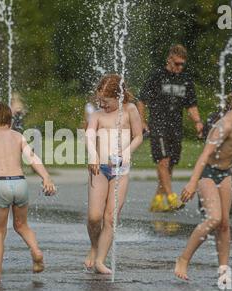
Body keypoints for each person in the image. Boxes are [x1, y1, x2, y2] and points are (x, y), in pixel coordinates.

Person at [174, 86, 232, 289]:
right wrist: (191, 182)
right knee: (214, 219)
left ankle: (224, 270)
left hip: (225, 176)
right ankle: (183, 259)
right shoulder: (223, 126)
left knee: (224, 224)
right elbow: (204, 156)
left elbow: (231, 154)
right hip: (207, 174)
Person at [0, 101, 56, 282]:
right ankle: (36, 251)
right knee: (21, 225)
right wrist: (46, 177)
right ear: (9, 120)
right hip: (20, 183)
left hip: (0, 184)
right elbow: (32, 158)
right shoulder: (18, 136)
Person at [84, 74, 143, 274]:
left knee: (110, 218)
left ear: (119, 96)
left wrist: (127, 152)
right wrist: (92, 154)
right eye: (99, 100)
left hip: (121, 171)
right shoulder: (97, 115)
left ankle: (100, 260)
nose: (102, 104)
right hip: (99, 169)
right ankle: (94, 246)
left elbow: (139, 136)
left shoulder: (130, 110)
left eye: (106, 101)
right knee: (94, 217)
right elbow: (90, 136)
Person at [137, 44, 204, 212]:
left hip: (176, 126)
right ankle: (171, 197)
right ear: (169, 59)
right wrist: (141, 121)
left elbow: (191, 105)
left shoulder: (186, 79)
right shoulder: (157, 76)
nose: (179, 67)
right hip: (158, 124)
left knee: (171, 163)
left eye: (182, 64)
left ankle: (158, 199)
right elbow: (141, 100)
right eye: (177, 64)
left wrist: (198, 122)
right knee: (163, 161)